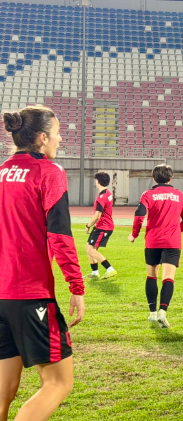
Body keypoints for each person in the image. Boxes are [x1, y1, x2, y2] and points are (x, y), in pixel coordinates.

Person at [0, 106, 85, 421]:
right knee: (58, 383)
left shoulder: (1, 171)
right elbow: (60, 236)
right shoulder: (49, 172)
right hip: (29, 293)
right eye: (58, 133)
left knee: (3, 392)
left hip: (1, 294)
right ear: (42, 137)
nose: (60, 139)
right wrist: (76, 286)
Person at [129, 164, 183, 328]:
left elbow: (139, 215)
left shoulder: (148, 194)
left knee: (151, 276)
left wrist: (134, 234)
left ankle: (152, 314)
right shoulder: (179, 195)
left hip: (153, 241)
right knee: (168, 278)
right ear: (170, 178)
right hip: (172, 242)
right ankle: (163, 312)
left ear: (154, 178)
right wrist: (175, 231)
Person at [84, 172, 117, 280]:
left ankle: (110, 269)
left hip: (103, 227)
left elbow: (97, 215)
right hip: (102, 226)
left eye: (96, 180)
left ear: (98, 181)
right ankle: (95, 272)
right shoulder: (107, 193)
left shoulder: (101, 197)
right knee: (89, 247)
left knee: (91, 250)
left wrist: (88, 225)